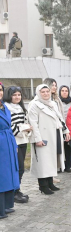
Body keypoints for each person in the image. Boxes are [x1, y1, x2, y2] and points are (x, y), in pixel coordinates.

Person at [28, 84, 70, 194]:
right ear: (38, 93)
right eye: (43, 92)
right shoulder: (34, 105)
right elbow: (33, 124)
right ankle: (43, 186)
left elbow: (59, 118)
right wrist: (37, 139)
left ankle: (50, 183)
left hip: (54, 134)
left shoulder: (53, 104)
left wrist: (66, 130)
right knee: (43, 162)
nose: (46, 94)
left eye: (47, 91)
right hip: (43, 136)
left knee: (52, 160)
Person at [4, 86, 31, 204]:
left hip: (23, 141)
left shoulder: (21, 108)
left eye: (19, 95)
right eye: (14, 95)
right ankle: (14, 192)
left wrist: (26, 128)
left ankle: (17, 189)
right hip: (13, 141)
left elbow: (26, 123)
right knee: (17, 167)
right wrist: (24, 128)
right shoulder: (6, 108)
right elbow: (11, 126)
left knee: (21, 168)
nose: (17, 97)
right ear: (9, 96)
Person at [0, 82, 20, 219]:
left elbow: (10, 126)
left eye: (0, 90)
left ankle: (6, 205)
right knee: (1, 176)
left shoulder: (4, 106)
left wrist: (14, 145)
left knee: (9, 174)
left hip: (8, 142)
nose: (0, 92)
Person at [43, 78, 64, 180]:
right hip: (48, 130)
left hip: (57, 128)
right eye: (52, 85)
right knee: (49, 153)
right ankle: (49, 175)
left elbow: (61, 114)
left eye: (55, 85)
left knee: (57, 151)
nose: (54, 87)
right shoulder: (43, 101)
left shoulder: (56, 99)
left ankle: (53, 173)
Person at [59, 85, 71, 173]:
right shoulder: (57, 102)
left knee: (69, 146)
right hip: (60, 126)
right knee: (61, 147)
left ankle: (68, 166)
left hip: (70, 126)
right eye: (62, 91)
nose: (64, 92)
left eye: (66, 91)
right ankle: (61, 166)